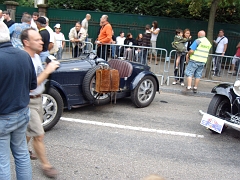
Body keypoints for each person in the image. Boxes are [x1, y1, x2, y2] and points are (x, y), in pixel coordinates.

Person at [21, 28, 60, 178]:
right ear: (26, 42)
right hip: (28, 102)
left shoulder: (36, 56)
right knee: (39, 135)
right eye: (37, 40)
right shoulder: (24, 58)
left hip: (38, 100)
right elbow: (30, 84)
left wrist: (46, 67)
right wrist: (47, 71)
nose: (41, 41)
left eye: (40, 39)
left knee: (30, 131)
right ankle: (46, 166)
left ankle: (22, 150)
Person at [0, 22, 37, 180]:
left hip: (3, 116)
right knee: (21, 155)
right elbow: (32, 86)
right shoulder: (23, 55)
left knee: (2, 161)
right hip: (21, 113)